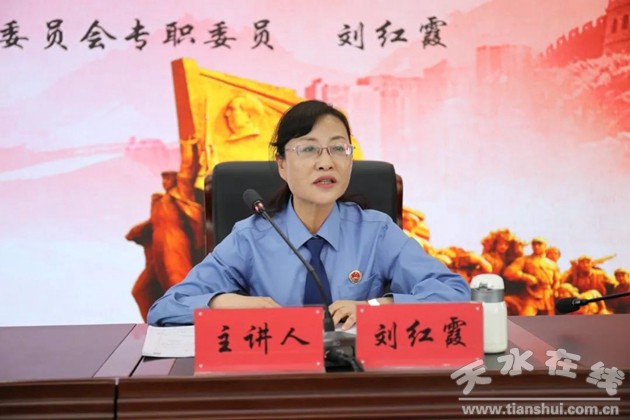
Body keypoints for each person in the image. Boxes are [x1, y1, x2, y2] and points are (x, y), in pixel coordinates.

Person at [147, 100, 470, 327]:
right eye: (309, 149)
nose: (326, 162)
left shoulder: (376, 231)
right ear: (282, 165)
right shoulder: (251, 237)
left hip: (359, 382)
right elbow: (165, 309)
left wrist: (376, 306)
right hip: (274, 385)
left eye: (338, 148)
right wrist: (224, 303)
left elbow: (455, 294)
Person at [503, 237, 560, 315]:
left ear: (545, 246)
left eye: (539, 244)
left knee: (551, 321)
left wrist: (555, 290)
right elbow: (508, 272)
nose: (536, 247)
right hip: (531, 295)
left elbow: (557, 281)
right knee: (525, 318)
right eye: (534, 244)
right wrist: (527, 277)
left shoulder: (552, 264)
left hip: (548, 297)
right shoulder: (525, 259)